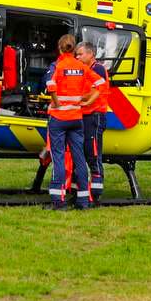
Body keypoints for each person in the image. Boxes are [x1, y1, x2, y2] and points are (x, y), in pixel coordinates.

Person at [45, 34, 101, 211]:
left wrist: (56, 102)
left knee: (59, 157)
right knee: (79, 158)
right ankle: (84, 201)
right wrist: (88, 101)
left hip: (59, 118)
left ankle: (58, 201)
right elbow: (100, 83)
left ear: (60, 48)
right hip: (77, 118)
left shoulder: (58, 65)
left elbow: (50, 85)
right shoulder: (81, 66)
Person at [76, 41, 110, 204]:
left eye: (80, 54)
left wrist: (75, 97)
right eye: (76, 54)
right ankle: (81, 188)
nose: (77, 57)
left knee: (93, 151)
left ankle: (96, 191)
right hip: (83, 114)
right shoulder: (83, 70)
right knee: (81, 151)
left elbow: (93, 91)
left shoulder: (98, 69)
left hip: (95, 115)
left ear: (91, 54)